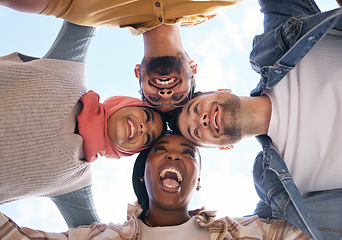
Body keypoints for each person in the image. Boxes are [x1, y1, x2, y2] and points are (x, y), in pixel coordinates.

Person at [169, 1, 342, 239]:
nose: (203, 121)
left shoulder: (276, 47)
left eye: (196, 109)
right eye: (196, 133)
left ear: (222, 90)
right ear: (224, 146)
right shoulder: (272, 186)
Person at [0, 20, 166, 228]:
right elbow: (89, 11)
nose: (143, 127)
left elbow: (90, 235)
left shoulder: (75, 182)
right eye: (147, 117)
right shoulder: (67, 71)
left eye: (148, 137)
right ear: (127, 103)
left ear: (128, 152)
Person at [0, 132, 309, 239]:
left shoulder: (247, 232)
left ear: (197, 179)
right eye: (160, 150)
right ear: (143, 172)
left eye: (188, 153)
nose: (174, 154)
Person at [0, 0, 241, 112]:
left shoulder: (86, 12)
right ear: (193, 67)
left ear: (138, 73)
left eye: (155, 100)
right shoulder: (217, 3)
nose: (166, 95)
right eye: (179, 99)